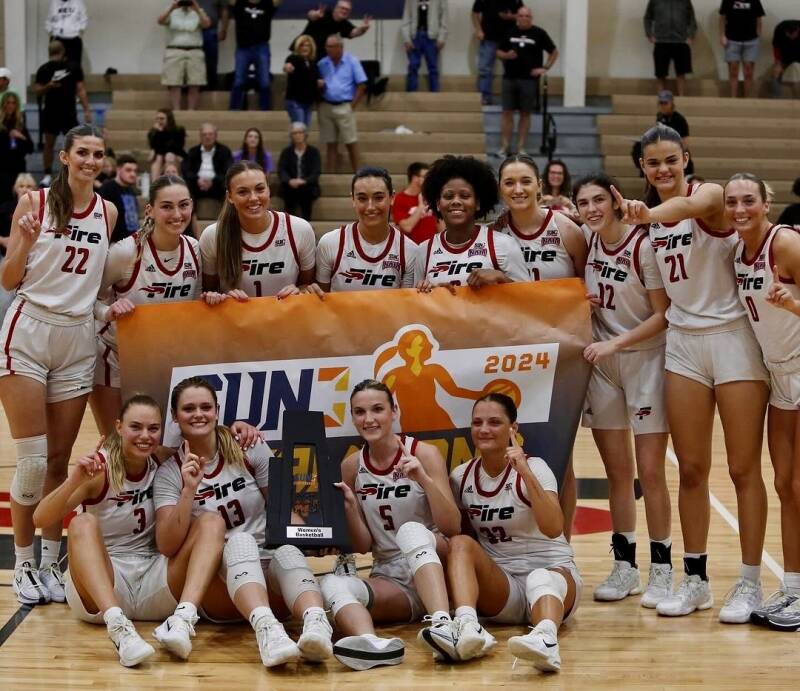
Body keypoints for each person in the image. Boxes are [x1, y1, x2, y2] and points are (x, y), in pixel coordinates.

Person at [612, 124, 770, 622]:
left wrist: (647, 213)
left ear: (686, 157)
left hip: (733, 339)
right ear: (642, 168)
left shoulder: (711, 196)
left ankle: (750, 583)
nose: (662, 169)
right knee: (692, 469)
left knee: (743, 469)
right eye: (652, 162)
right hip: (682, 343)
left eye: (670, 159)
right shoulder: (651, 227)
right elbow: (660, 296)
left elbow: (686, 206)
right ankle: (695, 579)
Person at [0, 124, 116, 605]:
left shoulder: (109, 212)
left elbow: (96, 284)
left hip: (77, 337)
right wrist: (24, 244)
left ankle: (50, 562)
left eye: (98, 154)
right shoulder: (34, 203)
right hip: (29, 329)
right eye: (82, 152)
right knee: (31, 462)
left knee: (58, 461)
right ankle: (23, 564)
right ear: (64, 156)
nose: (90, 161)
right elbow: (9, 278)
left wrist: (109, 310)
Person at [154, 376, 335, 667]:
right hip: (222, 585)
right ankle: (268, 630)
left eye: (206, 407)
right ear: (175, 417)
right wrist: (189, 490)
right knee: (240, 541)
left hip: (271, 573)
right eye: (188, 409)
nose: (198, 414)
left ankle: (316, 626)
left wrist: (318, 537)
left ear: (217, 410)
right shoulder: (170, 473)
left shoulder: (249, 448)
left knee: (288, 552)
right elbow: (167, 545)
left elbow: (283, 509)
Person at [32, 395, 226, 666]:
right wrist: (74, 480)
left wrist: (241, 430)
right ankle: (119, 629)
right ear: (119, 427)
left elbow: (209, 440)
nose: (145, 436)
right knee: (82, 523)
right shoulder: (99, 469)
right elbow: (40, 518)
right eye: (136, 427)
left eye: (153, 428)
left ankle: (182, 619)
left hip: (156, 581)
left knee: (211, 522)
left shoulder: (164, 460)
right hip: (105, 585)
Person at [575, 173, 673, 608]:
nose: (592, 209)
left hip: (645, 360)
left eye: (599, 200)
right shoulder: (587, 240)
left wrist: (615, 343)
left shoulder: (642, 245)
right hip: (603, 365)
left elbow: (663, 314)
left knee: (650, 473)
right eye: (584, 203)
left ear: (616, 201)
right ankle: (625, 566)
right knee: (618, 473)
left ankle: (663, 569)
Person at [319, 379, 461, 669]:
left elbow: (452, 527)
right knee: (331, 584)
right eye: (360, 412)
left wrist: (423, 479)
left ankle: (445, 626)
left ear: (394, 411)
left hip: (435, 561)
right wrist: (351, 509)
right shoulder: (351, 466)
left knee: (411, 532)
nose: (368, 419)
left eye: (377, 409)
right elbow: (363, 546)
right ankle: (372, 644)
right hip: (391, 576)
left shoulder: (423, 454)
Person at [447, 393, 581, 671]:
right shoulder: (461, 476)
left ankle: (546, 640)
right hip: (504, 587)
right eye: (477, 423)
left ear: (513, 428)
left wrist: (525, 473)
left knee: (540, 577)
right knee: (459, 543)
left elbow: (553, 527)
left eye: (494, 422)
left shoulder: (536, 468)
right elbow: (458, 534)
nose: (484, 429)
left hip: (553, 577)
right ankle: (467, 625)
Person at [723, 173, 800, 631]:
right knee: (785, 485)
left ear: (766, 203)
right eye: (732, 202)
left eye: (748, 200)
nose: (739, 209)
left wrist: (792, 306)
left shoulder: (785, 243)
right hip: (779, 375)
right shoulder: (738, 251)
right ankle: (792, 587)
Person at [90, 175, 208, 436]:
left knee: (162, 444)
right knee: (115, 443)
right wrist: (108, 312)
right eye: (166, 206)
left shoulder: (194, 249)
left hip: (163, 361)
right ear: (150, 210)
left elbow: (196, 302)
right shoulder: (126, 253)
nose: (177, 214)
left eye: (184, 205)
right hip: (115, 359)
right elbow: (87, 298)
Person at [201, 161, 316, 298]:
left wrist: (300, 291)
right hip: (236, 313)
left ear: (269, 190)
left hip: (287, 312)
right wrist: (220, 298)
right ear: (229, 197)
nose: (253, 198)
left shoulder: (299, 229)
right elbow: (208, 291)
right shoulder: (213, 236)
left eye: (260, 189)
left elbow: (308, 286)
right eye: (242, 192)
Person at [416, 156, 529, 289]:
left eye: (465, 196)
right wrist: (428, 292)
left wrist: (501, 278)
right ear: (438, 204)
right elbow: (413, 299)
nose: (456, 201)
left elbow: (528, 296)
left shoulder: (504, 244)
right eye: (448, 196)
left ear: (478, 203)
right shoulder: (424, 251)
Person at [316, 167, 416, 292]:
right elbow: (320, 298)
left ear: (392, 197)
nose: (370, 207)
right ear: (353, 199)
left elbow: (406, 302)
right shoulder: (330, 243)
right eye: (362, 198)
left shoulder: (409, 250)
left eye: (378, 198)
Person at [494, 155, 586, 281]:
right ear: (500, 188)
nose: (518, 190)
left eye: (526, 181)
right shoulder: (493, 233)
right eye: (509, 183)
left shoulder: (567, 230)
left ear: (539, 185)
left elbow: (588, 285)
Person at [496, 5, 558, 156]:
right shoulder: (509, 31)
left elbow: (554, 52)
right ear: (517, 17)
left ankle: (521, 148)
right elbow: (498, 51)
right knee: (507, 113)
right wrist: (506, 55)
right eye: (521, 16)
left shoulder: (539, 33)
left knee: (525, 114)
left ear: (531, 18)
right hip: (509, 78)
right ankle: (505, 147)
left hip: (529, 80)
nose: (524, 18)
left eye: (527, 16)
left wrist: (545, 68)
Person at [34, 40, 92, 188]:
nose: (55, 56)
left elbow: (80, 89)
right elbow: (37, 90)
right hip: (51, 112)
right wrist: (48, 86)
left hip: (68, 111)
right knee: (49, 144)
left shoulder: (73, 67)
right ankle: (47, 174)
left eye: (57, 53)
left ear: (63, 52)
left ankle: (70, 173)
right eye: (52, 53)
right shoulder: (44, 69)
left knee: (72, 144)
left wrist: (86, 109)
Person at [318, 35, 368, 173]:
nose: (328, 49)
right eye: (327, 46)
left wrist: (352, 106)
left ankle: (359, 174)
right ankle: (331, 174)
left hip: (344, 105)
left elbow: (362, 85)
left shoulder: (352, 61)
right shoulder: (322, 63)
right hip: (326, 106)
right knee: (330, 143)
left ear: (340, 47)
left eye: (331, 47)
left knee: (351, 142)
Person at [158, 0, 211, 111]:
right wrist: (172, 8)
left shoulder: (199, 11)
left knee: (195, 82)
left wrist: (197, 9)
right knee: (174, 82)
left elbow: (206, 24)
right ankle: (176, 110)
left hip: (195, 50)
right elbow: (160, 21)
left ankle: (191, 110)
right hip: (174, 49)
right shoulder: (171, 10)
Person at [227, 0, 280, 111]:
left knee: (264, 81)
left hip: (261, 46)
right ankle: (234, 110)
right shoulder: (240, 3)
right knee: (239, 81)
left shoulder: (267, 4)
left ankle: (265, 112)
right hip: (243, 47)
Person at [472, 0, 522, 106]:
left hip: (509, 39)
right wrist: (478, 30)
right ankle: (485, 98)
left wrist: (510, 17)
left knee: (512, 69)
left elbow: (522, 14)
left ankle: (512, 99)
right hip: (489, 37)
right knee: (485, 69)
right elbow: (475, 13)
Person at [644, 0, 697, 96]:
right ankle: (662, 100)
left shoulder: (685, 1)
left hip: (681, 42)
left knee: (681, 73)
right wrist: (649, 34)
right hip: (661, 42)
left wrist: (691, 35)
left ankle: (681, 98)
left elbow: (692, 19)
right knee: (660, 74)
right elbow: (647, 18)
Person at [719, 0, 765, 98]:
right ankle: (733, 99)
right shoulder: (727, 1)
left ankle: (747, 99)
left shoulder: (755, 1)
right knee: (733, 70)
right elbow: (722, 18)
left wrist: (758, 36)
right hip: (732, 40)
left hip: (751, 41)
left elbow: (759, 19)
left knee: (748, 71)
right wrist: (722, 35)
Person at [278, 122, 321, 221]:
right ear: (291, 136)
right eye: (294, 133)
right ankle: (289, 223)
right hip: (290, 186)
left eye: (300, 132)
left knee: (306, 192)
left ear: (305, 134)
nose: (297, 135)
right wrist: (289, 180)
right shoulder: (286, 152)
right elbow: (281, 170)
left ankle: (306, 221)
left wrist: (304, 181)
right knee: (288, 192)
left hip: (307, 185)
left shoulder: (314, 152)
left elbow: (316, 172)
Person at [402, 0, 448, 93]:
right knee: (413, 66)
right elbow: (406, 19)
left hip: (432, 38)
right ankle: (411, 96)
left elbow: (444, 19)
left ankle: (435, 96)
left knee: (433, 68)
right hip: (415, 37)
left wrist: (442, 38)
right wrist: (407, 39)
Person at [299, 1, 371, 59]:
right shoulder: (325, 13)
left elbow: (353, 32)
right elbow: (310, 15)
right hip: (303, 49)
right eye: (342, 8)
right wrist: (315, 14)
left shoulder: (344, 23)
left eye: (347, 10)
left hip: (320, 56)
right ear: (336, 8)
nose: (344, 11)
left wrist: (363, 29)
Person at [182, 122, 232, 203]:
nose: (207, 137)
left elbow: (228, 171)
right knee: (185, 186)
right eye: (204, 134)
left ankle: (226, 211)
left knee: (227, 186)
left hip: (217, 185)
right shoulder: (193, 151)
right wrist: (197, 180)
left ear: (215, 135)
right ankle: (190, 211)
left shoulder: (224, 151)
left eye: (210, 134)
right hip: (196, 185)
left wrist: (213, 181)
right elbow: (186, 170)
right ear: (200, 136)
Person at [392, 162, 440, 245]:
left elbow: (440, 227)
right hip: (411, 248)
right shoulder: (400, 199)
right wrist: (421, 207)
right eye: (426, 177)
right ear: (415, 178)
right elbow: (407, 227)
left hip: (432, 247)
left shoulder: (431, 197)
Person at [0, 92, 34, 203]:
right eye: (8, 103)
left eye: (13, 103)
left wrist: (21, 136)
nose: (10, 105)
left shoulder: (20, 124)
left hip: (18, 168)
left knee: (20, 201)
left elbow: (30, 148)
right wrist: (7, 136)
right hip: (3, 168)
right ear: (3, 104)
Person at [98, 154, 140, 244]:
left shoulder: (131, 190)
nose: (133, 174)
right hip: (114, 243)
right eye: (128, 170)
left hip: (131, 242)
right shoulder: (108, 188)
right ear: (118, 169)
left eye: (135, 171)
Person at [283, 35, 321, 127]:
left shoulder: (313, 62)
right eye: (302, 45)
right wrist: (286, 67)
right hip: (295, 101)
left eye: (307, 45)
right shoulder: (293, 58)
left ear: (311, 47)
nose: (304, 48)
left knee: (305, 130)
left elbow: (315, 78)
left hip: (308, 102)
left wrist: (319, 82)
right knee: (299, 129)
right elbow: (287, 65)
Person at [655, 90, 693, 175]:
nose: (663, 106)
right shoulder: (659, 117)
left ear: (671, 103)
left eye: (665, 103)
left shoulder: (679, 119)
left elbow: (686, 142)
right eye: (661, 103)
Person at [148, 108, 187, 182]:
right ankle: (155, 186)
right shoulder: (153, 132)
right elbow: (157, 148)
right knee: (158, 158)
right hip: (161, 158)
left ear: (169, 119)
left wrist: (161, 133)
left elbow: (175, 148)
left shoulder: (178, 130)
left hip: (176, 156)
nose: (159, 121)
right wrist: (159, 133)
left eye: (162, 119)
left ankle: (171, 183)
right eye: (157, 119)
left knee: (169, 155)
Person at [45, 0, 88, 65]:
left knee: (74, 66)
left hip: (73, 39)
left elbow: (84, 19)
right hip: (57, 39)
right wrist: (51, 33)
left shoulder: (78, 2)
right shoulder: (54, 2)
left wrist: (78, 31)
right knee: (55, 66)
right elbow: (49, 20)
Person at [198, 1, 229, 89]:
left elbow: (224, 10)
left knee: (211, 62)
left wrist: (223, 30)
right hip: (192, 31)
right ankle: (194, 89)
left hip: (211, 31)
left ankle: (211, 88)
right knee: (194, 62)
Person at [772, 19, 800, 97]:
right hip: (786, 53)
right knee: (776, 72)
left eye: (792, 35)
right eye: (788, 34)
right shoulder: (780, 28)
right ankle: (776, 99)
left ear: (798, 30)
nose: (790, 37)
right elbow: (776, 47)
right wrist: (778, 62)